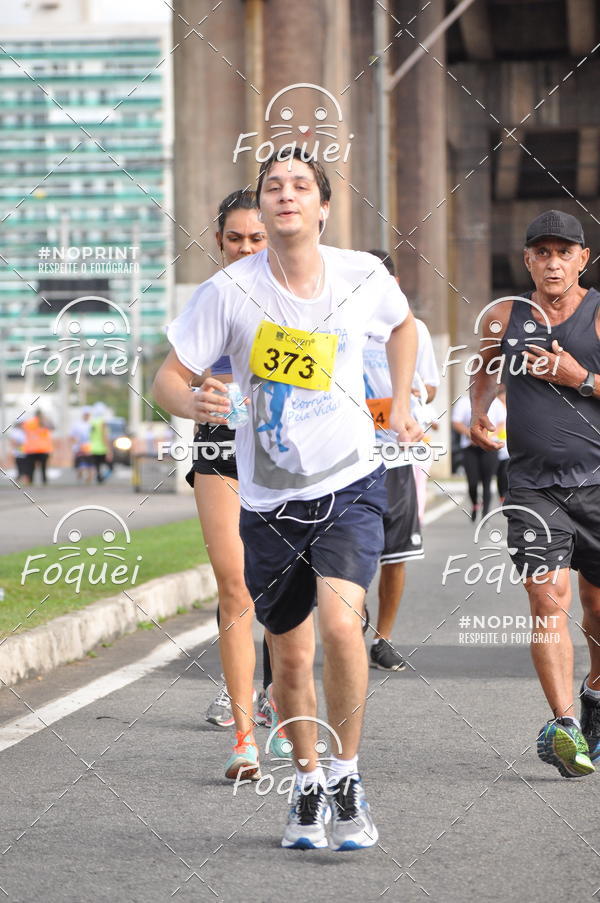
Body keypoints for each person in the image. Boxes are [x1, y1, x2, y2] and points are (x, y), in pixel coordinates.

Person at [153, 148, 421, 850]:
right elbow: (167, 380)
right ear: (262, 207)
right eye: (273, 186)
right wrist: (199, 399)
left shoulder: (363, 274)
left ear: (323, 206)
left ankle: (347, 773)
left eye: (301, 185)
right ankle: (305, 783)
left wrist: (403, 405)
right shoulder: (229, 292)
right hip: (270, 500)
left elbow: (404, 325)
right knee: (293, 657)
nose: (285, 195)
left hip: (350, 481)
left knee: (341, 624)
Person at [470, 209, 600, 778]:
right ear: (526, 260)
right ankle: (565, 725)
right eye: (541, 252)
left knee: (596, 609)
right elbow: (484, 368)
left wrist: (581, 378)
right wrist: (480, 409)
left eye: (564, 252)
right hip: (531, 486)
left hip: (598, 482)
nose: (553, 262)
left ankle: (593, 696)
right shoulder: (503, 316)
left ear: (583, 259)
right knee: (549, 603)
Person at [182, 189, 280, 779]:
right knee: (235, 585)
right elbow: (177, 374)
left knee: (282, 591)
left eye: (257, 237)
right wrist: (200, 389)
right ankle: (245, 736)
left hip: (283, 448)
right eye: (236, 237)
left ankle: (286, 704)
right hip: (221, 444)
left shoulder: (299, 291)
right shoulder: (208, 299)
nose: (246, 247)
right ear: (219, 241)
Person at [363, 251, 436, 671]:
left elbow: (426, 386)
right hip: (350, 460)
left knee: (396, 555)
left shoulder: (414, 329)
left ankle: (383, 637)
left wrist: (405, 405)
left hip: (396, 458)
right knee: (348, 550)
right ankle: (354, 611)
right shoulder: (342, 327)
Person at [452, 393, 503, 520]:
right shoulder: (463, 402)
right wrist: (470, 434)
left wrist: (488, 436)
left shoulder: (496, 403)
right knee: (472, 482)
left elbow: (502, 422)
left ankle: (485, 513)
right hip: (470, 447)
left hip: (489, 446)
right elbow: (456, 422)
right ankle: (475, 503)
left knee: (487, 481)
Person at [22, 409, 53, 485]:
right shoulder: (44, 422)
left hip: (32, 449)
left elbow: (23, 428)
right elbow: (52, 427)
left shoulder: (29, 422)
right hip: (42, 449)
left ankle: (31, 481)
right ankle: (44, 482)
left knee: (31, 468)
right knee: (43, 468)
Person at [89, 403, 113, 483]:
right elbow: (104, 436)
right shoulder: (102, 422)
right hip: (102, 448)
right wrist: (109, 450)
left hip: (93, 448)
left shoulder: (92, 422)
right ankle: (101, 478)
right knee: (110, 467)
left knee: (97, 466)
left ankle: (99, 478)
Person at [70, 407, 93, 484]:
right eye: (85, 414)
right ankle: (79, 477)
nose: (86, 416)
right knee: (80, 466)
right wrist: (76, 444)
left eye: (88, 414)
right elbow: (72, 436)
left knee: (90, 466)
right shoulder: (77, 425)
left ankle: (88, 480)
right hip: (79, 448)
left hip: (89, 448)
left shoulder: (91, 424)